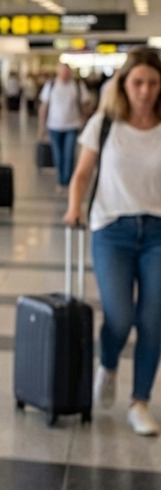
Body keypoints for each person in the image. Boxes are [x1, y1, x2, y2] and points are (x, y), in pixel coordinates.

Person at [64, 46, 161, 437]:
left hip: (157, 231)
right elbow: (83, 173)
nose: (145, 91)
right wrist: (74, 208)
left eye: (153, 83)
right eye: (138, 82)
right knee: (119, 316)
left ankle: (139, 401)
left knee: (153, 319)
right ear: (124, 83)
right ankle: (108, 365)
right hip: (112, 230)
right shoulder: (104, 124)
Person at [38, 63, 92, 189]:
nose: (65, 75)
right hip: (54, 126)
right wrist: (42, 127)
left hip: (72, 126)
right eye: (62, 72)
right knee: (58, 155)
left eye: (67, 72)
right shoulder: (51, 85)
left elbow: (85, 104)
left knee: (69, 155)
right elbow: (44, 107)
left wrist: (85, 120)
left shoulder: (77, 86)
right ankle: (60, 180)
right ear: (58, 72)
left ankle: (67, 182)